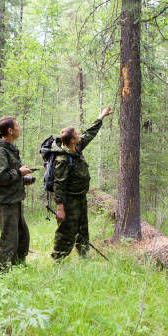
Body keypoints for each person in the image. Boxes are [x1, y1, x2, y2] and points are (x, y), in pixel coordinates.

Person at [51, 106, 113, 260]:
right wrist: (60, 208)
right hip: (68, 201)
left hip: (80, 199)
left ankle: (84, 256)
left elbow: (89, 133)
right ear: (72, 140)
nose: (80, 135)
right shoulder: (62, 159)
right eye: (77, 134)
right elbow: (59, 185)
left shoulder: (76, 148)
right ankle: (58, 258)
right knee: (66, 229)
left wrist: (101, 117)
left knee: (83, 228)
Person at [0, 116, 34, 272]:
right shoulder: (0, 152)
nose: (19, 128)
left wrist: (23, 178)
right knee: (9, 239)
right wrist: (18, 173)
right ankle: (3, 273)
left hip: (15, 201)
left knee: (22, 237)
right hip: (6, 203)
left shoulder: (10, 149)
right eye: (17, 125)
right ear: (10, 130)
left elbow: (10, 174)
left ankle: (19, 268)